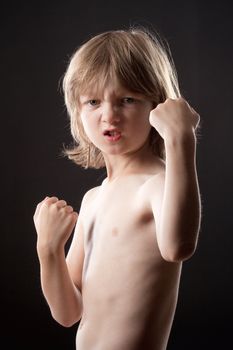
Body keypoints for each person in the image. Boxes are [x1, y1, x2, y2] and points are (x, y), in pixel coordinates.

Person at [33, 27, 202, 350]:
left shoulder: (156, 184)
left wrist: (181, 138)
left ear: (157, 105)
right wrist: (49, 251)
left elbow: (178, 246)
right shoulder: (94, 198)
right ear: (78, 113)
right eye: (93, 101)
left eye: (127, 99)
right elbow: (68, 312)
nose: (109, 115)